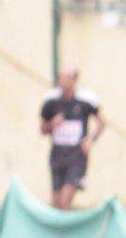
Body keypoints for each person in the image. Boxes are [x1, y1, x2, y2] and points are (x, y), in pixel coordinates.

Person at [40, 69, 104, 209]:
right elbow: (42, 129)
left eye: (66, 78)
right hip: (57, 157)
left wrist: (91, 139)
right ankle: (64, 228)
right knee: (57, 203)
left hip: (77, 157)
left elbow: (101, 123)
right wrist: (52, 124)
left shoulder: (85, 101)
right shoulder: (51, 101)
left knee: (65, 199)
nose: (62, 81)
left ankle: (66, 228)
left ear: (74, 80)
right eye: (60, 77)